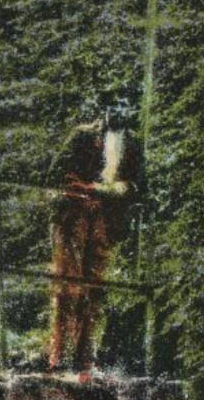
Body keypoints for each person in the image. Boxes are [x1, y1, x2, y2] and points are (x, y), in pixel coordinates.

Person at [45, 106, 145, 370]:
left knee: (94, 287)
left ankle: (84, 356)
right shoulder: (82, 135)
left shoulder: (134, 142)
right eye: (114, 107)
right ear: (106, 110)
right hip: (74, 217)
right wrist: (79, 194)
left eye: (125, 107)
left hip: (105, 220)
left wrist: (110, 191)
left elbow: (136, 185)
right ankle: (57, 353)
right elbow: (57, 174)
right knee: (67, 282)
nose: (118, 112)